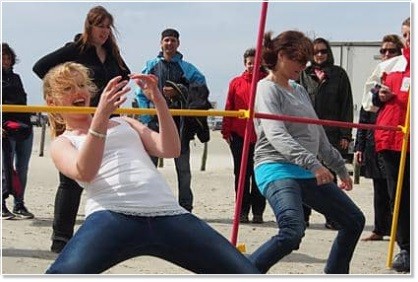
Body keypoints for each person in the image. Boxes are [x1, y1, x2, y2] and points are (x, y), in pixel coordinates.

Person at [42, 62, 260, 274]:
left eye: (81, 85)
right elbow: (85, 171)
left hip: (167, 213)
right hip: (112, 215)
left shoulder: (125, 123)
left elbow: (170, 148)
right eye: (68, 88)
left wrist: (158, 100)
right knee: (62, 274)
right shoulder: (63, 142)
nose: (78, 91)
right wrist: (99, 118)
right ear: (52, 102)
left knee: (244, 272)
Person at [248, 30, 365, 274]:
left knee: (354, 221)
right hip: (275, 167)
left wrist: (340, 167)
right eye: (299, 60)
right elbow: (276, 134)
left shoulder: (299, 89)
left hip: (306, 171)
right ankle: (242, 272)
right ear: (281, 55)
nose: (304, 66)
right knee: (292, 231)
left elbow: (318, 134)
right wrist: (314, 164)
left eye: (306, 61)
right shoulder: (266, 88)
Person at [32, 5, 131, 253]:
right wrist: (60, 91)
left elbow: (125, 76)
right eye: (100, 26)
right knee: (71, 181)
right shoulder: (76, 50)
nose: (105, 31)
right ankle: (61, 239)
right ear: (90, 26)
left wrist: (119, 93)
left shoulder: (112, 53)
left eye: (108, 27)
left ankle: (114, 235)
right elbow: (41, 67)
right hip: (78, 122)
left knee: (112, 178)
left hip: (107, 122)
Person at [135, 28, 211, 212]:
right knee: (150, 167)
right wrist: (147, 116)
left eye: (173, 40)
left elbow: (201, 89)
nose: (169, 44)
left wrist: (179, 90)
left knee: (183, 170)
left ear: (178, 44)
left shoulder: (188, 69)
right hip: (154, 124)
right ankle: (149, 203)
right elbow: (140, 92)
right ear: (161, 43)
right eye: (166, 40)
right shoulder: (151, 65)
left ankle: (185, 206)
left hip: (180, 126)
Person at [298, 37, 353, 230]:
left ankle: (332, 217)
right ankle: (303, 217)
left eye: (323, 51)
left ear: (328, 52)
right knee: (305, 174)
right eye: (316, 52)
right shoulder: (303, 75)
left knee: (330, 174)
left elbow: (346, 105)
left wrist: (346, 134)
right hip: (306, 132)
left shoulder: (339, 75)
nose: (319, 55)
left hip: (331, 133)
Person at [354, 34, 403, 242]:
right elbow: (365, 115)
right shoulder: (375, 79)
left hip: (396, 140)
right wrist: (359, 146)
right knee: (379, 189)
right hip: (374, 141)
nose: (386, 54)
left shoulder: (402, 76)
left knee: (396, 189)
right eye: (383, 51)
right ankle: (379, 228)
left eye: (391, 51)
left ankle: (399, 231)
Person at [371, 17, 410, 273]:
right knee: (400, 197)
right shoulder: (391, 65)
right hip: (391, 138)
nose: (409, 38)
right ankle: (406, 248)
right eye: (406, 34)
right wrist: (379, 95)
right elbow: (369, 102)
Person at [221, 48, 267, 224]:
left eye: (256, 63)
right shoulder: (236, 83)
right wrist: (226, 131)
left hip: (262, 137)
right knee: (241, 174)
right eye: (249, 63)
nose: (252, 66)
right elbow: (229, 107)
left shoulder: (266, 82)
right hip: (239, 135)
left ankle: (258, 211)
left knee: (259, 175)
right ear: (245, 64)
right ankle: (241, 211)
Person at [2, 43, 34, 219]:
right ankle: (1, 203)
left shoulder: (17, 78)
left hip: (23, 125)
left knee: (22, 167)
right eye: (3, 57)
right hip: (5, 126)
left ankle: (19, 203)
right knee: (5, 167)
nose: (5, 61)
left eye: (8, 57)